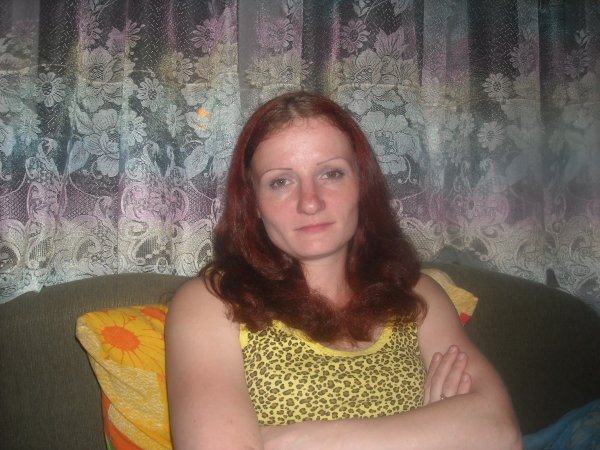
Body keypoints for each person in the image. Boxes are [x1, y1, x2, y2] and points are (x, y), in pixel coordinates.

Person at [165, 91, 522, 449]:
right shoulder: (213, 303)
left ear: (361, 186)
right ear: (254, 201)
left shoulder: (416, 295)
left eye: (331, 174)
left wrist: (290, 440)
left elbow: (500, 433)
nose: (310, 202)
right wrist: (436, 431)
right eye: (280, 181)